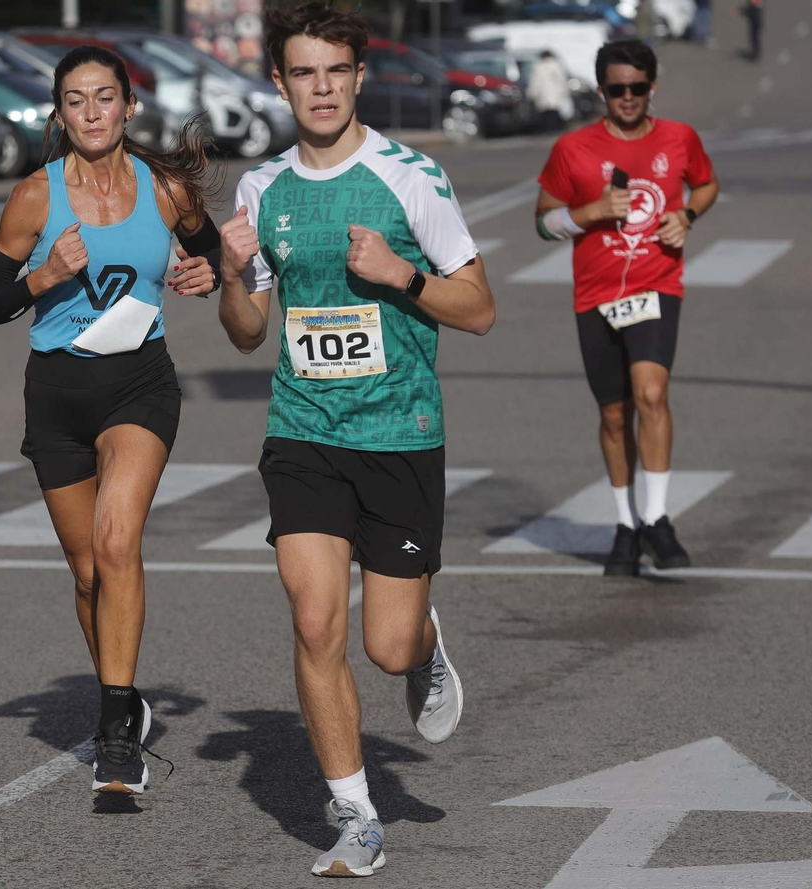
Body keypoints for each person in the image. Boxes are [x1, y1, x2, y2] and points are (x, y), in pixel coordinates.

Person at [217, 2, 495, 876]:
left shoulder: (412, 177)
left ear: (359, 76)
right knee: (312, 619)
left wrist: (400, 272)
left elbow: (480, 308)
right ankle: (356, 812)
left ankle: (422, 645)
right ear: (280, 82)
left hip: (400, 434)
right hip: (304, 429)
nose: (323, 88)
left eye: (336, 71)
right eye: (305, 72)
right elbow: (247, 332)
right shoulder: (262, 190)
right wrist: (232, 273)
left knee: (386, 644)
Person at [0, 45, 221, 795]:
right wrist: (42, 277)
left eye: (104, 98)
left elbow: (211, 256)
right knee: (88, 575)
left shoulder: (167, 189)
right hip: (56, 393)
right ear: (59, 113)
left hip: (139, 384)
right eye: (75, 101)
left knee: (118, 541)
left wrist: (205, 275)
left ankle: (116, 733)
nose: (91, 113)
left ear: (129, 106)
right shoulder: (34, 198)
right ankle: (127, 693)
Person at [532, 40, 718, 575]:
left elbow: (705, 185)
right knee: (614, 416)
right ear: (601, 92)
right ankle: (626, 524)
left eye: (638, 87)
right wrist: (589, 211)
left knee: (651, 393)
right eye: (618, 89)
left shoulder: (680, 139)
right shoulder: (573, 149)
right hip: (596, 296)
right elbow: (543, 222)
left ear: (651, 87)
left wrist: (688, 216)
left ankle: (658, 519)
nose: (628, 98)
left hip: (658, 285)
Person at [527, 49, 573, 132]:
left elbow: (535, 82)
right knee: (554, 111)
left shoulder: (539, 66)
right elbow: (562, 79)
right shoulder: (557, 65)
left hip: (543, 94)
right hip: (555, 93)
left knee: (546, 113)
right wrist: (565, 91)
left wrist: (533, 93)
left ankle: (548, 128)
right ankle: (555, 128)